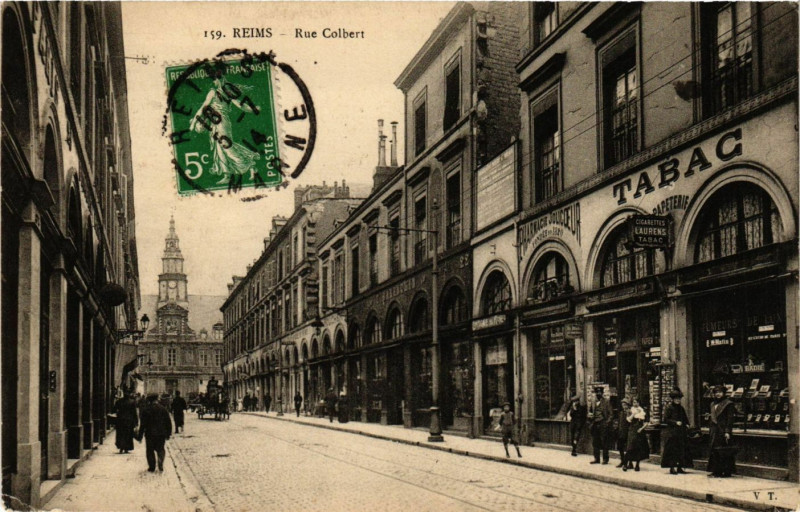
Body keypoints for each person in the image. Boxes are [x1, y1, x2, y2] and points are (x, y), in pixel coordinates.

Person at [137, 394, 173, 472]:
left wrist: (140, 436)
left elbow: (142, 424)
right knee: (160, 449)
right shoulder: (163, 409)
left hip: (150, 434)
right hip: (161, 433)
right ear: (157, 399)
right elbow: (168, 422)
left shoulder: (146, 410)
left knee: (150, 450)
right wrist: (168, 433)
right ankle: (160, 461)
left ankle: (152, 467)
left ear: (149, 401)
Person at [661, 388, 693, 474]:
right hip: (672, 432)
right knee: (672, 450)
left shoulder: (681, 408)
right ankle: (672, 467)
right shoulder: (669, 408)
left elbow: (685, 417)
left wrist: (687, 424)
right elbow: (665, 419)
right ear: (673, 399)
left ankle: (680, 467)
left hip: (681, 432)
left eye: (679, 399)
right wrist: (675, 422)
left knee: (681, 450)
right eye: (676, 399)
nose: (678, 400)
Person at [707, 385, 736, 478]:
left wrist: (727, 431)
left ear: (724, 393)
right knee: (714, 451)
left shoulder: (728, 403)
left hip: (722, 430)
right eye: (716, 392)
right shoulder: (712, 404)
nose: (718, 394)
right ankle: (716, 471)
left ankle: (726, 471)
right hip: (714, 430)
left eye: (720, 392)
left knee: (724, 451)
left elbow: (730, 419)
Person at [624, 397, 650, 471]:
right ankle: (625, 464)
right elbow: (628, 420)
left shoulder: (643, 410)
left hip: (640, 430)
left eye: (636, 402)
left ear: (639, 403)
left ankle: (637, 465)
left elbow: (646, 422)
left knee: (639, 447)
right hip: (632, 429)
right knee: (630, 447)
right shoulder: (630, 410)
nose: (635, 404)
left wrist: (641, 428)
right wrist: (634, 413)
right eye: (634, 402)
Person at [589, 386, 612, 464]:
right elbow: (590, 412)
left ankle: (605, 459)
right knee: (595, 442)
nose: (598, 394)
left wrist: (606, 423)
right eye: (597, 392)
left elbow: (611, 414)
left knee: (604, 442)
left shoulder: (606, 401)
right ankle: (597, 459)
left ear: (602, 393)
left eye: (600, 392)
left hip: (603, 423)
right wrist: (590, 416)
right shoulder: (593, 402)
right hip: (595, 423)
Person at [616, 398, 631, 468]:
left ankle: (629, 463)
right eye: (622, 405)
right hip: (621, 432)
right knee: (620, 447)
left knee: (629, 448)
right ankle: (622, 461)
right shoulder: (621, 413)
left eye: (625, 405)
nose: (624, 406)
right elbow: (620, 423)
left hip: (628, 432)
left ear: (628, 405)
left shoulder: (630, 412)